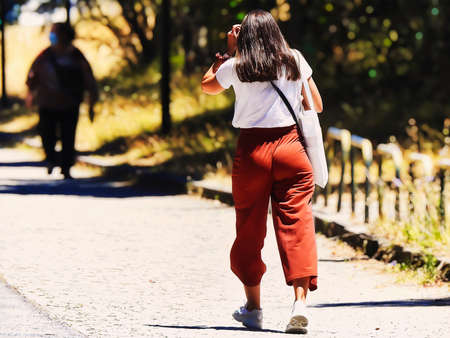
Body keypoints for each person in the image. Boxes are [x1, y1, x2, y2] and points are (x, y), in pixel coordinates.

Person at [201, 10, 323, 334]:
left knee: (249, 227)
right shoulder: (294, 59)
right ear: (275, 31)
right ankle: (299, 304)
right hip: (292, 151)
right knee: (296, 224)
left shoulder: (236, 66)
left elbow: (207, 86)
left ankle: (254, 309)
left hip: (253, 153)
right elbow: (317, 105)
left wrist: (229, 51)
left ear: (245, 36)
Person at [26, 23, 98, 179]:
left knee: (68, 135)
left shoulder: (76, 56)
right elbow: (32, 76)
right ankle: (51, 159)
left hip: (70, 103)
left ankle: (66, 167)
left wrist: (92, 103)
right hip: (47, 102)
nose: (51, 36)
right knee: (47, 134)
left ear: (65, 35)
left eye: (54, 33)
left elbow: (89, 80)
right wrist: (31, 95)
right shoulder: (45, 55)